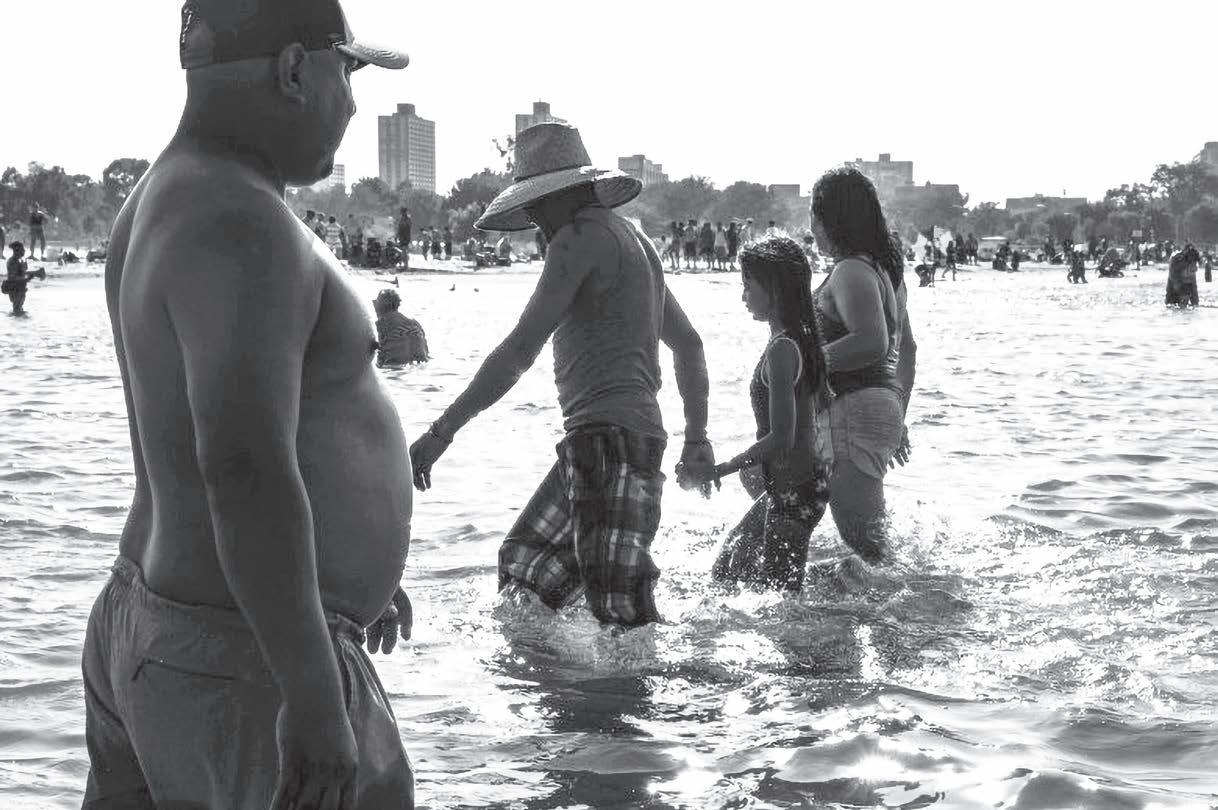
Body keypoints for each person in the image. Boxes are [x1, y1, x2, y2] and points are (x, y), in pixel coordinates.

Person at [82, 2, 416, 807]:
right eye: (348, 72)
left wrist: (339, 578)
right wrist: (310, 686)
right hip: (243, 661)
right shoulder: (240, 219)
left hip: (171, 630)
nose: (352, 104)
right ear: (295, 69)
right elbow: (243, 468)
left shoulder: (166, 198)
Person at [408, 122, 715, 628]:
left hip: (608, 443)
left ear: (559, 196)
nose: (533, 220)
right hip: (612, 440)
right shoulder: (634, 239)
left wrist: (443, 431)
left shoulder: (577, 240)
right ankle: (552, 673)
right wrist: (697, 439)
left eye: (534, 207)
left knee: (621, 613)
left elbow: (518, 352)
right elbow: (690, 346)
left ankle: (670, 676)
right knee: (525, 567)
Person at [685, 238, 830, 591]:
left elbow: (782, 439)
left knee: (782, 598)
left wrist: (719, 470)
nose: (743, 296)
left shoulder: (783, 349)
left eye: (748, 286)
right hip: (794, 486)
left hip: (795, 492)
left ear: (775, 289)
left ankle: (847, 583)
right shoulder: (798, 339)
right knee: (729, 567)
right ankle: (840, 575)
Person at [805, 166, 915, 565]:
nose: (810, 228)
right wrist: (896, 413)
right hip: (873, 408)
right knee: (872, 548)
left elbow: (872, 341)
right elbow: (907, 350)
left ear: (828, 218)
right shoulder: (884, 272)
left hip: (851, 412)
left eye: (813, 215)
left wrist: (802, 364)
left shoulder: (851, 270)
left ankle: (919, 601)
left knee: (873, 556)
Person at [373, 288, 429, 365]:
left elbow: (377, 352)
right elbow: (426, 350)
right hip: (421, 365)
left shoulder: (383, 324)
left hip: (395, 366)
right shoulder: (414, 323)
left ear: (379, 306)